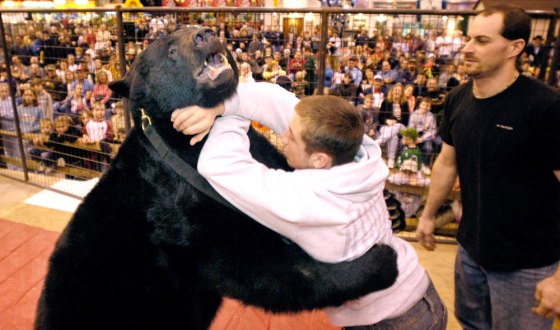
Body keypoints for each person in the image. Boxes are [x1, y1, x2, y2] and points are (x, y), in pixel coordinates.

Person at [171, 82, 447, 329]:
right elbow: (276, 100)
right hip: (418, 295)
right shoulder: (359, 153)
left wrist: (228, 116)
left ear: (319, 160)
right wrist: (220, 102)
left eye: (292, 136)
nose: (283, 136)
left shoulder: (308, 202)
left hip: (393, 321)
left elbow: (219, 165)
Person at [416, 5, 560, 329]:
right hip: (471, 251)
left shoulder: (545, 107)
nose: (467, 49)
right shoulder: (458, 98)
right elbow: (446, 162)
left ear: (515, 47)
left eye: (481, 40)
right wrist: (427, 215)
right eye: (468, 39)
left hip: (528, 264)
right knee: (471, 323)